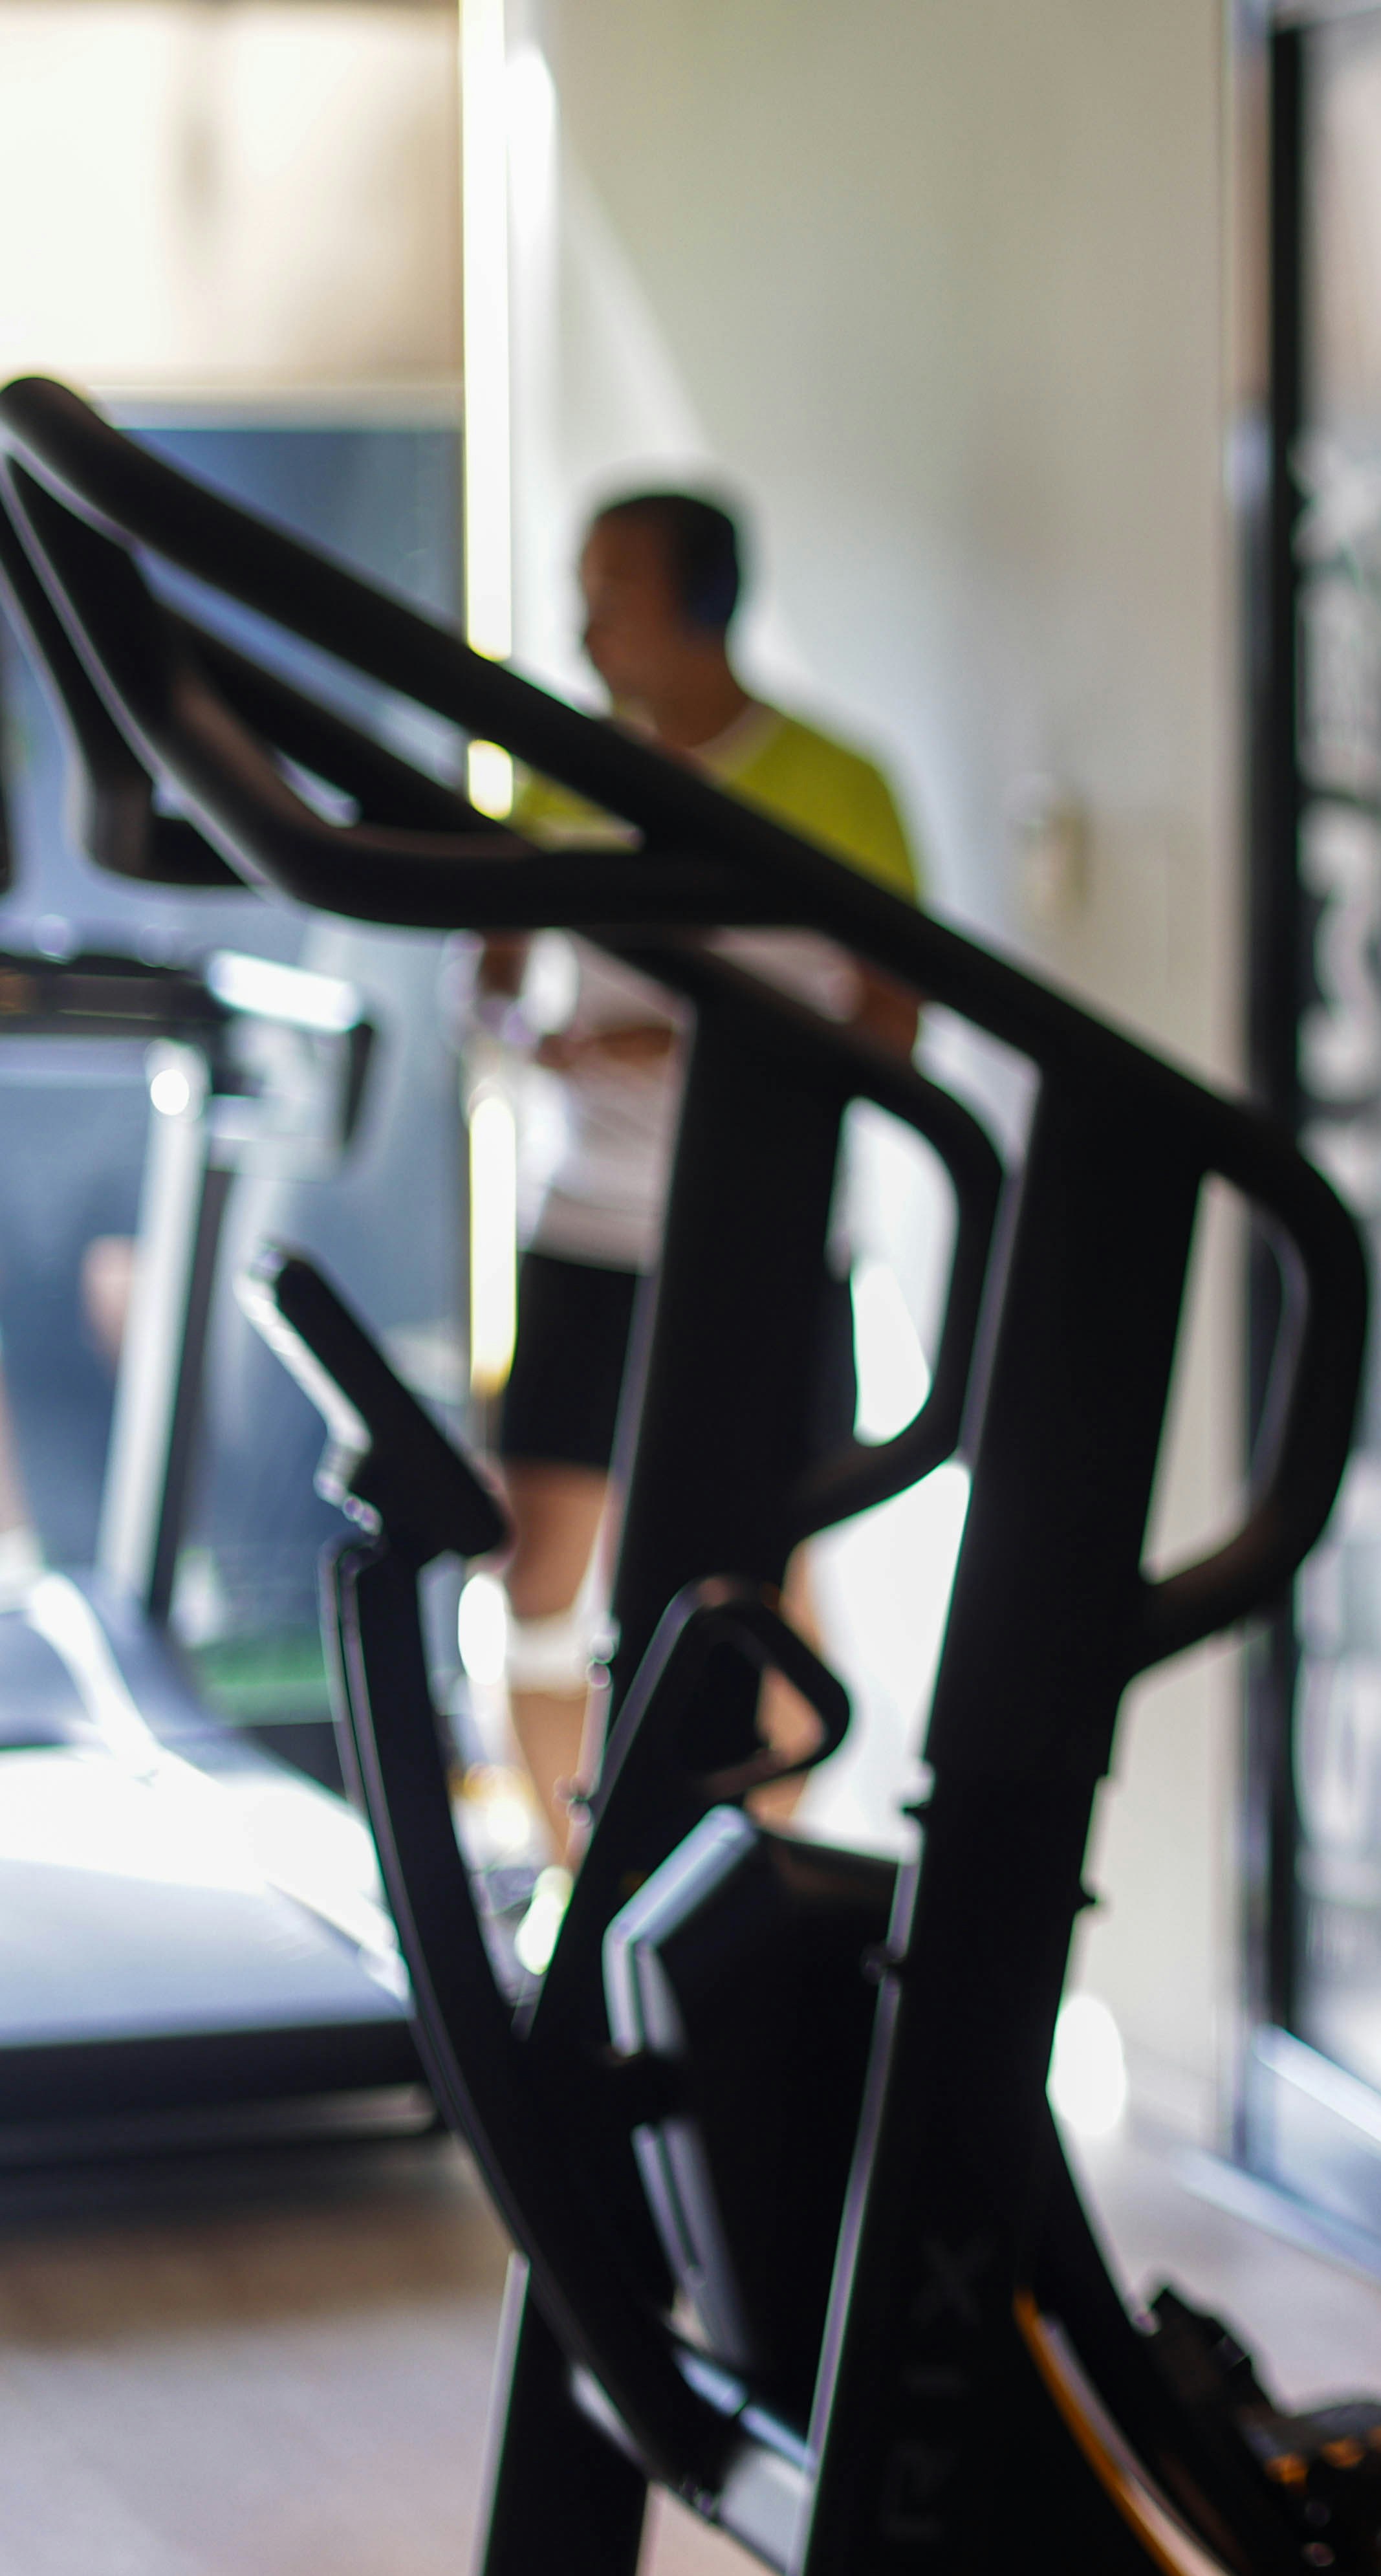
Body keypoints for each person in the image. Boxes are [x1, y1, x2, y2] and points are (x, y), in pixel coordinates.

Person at [475, 491, 920, 1863]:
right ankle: (577, 1879)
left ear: (696, 607)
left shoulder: (838, 787)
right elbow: (481, 988)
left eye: (609, 590)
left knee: (760, 1569)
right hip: (590, 1223)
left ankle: (745, 1875)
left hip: (762, 1239)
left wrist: (724, 1044)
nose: (585, 622)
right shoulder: (561, 772)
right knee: (542, 1560)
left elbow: (894, 1020)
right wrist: (552, 1044)